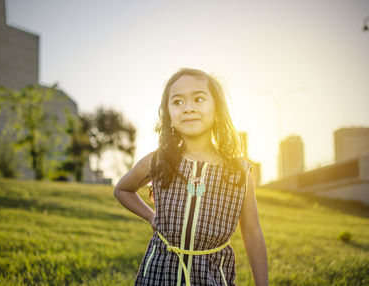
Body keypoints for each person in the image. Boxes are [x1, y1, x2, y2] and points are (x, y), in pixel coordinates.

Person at [114, 68, 268, 286]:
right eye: (177, 102)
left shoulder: (239, 171)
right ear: (168, 114)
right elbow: (122, 189)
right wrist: (150, 216)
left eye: (198, 99)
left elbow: (252, 234)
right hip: (159, 275)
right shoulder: (157, 161)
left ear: (217, 110)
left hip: (212, 277)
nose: (188, 108)